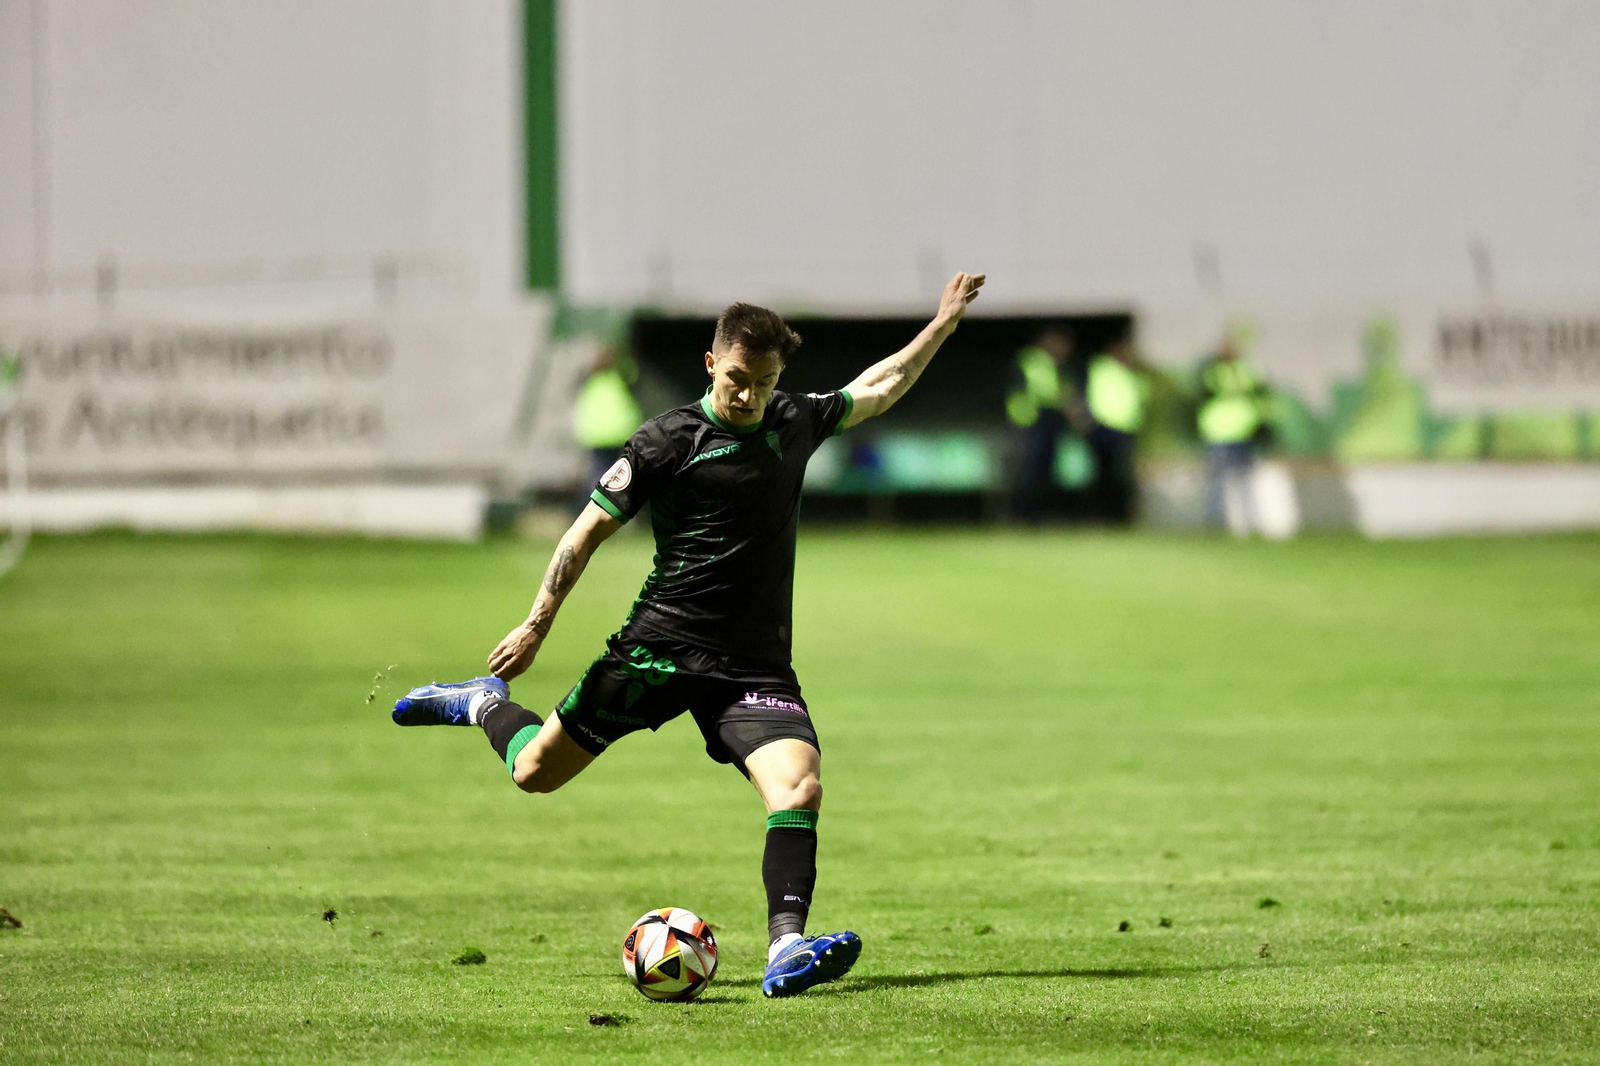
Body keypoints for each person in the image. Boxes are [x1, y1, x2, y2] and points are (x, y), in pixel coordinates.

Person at [389, 272, 986, 998]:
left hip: (753, 666)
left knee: (799, 786)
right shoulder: (667, 441)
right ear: (712, 365)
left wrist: (943, 324)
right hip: (658, 649)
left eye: (764, 381)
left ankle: (785, 951)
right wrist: (537, 626)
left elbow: (881, 385)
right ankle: (482, 703)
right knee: (534, 772)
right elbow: (583, 536)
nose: (749, 395)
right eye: (738, 378)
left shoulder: (794, 420)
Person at [1005, 328, 1082, 522]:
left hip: (1039, 422)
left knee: (1043, 471)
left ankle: (1036, 515)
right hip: (1029, 422)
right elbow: (1048, 392)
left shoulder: (1044, 362)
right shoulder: (1034, 360)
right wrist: (1071, 406)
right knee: (1029, 471)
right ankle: (1024, 516)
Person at [1195, 332, 1268, 533]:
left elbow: (1260, 394)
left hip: (1243, 433)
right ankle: (1215, 524)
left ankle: (1250, 524)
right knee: (1217, 483)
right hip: (1218, 434)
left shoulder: (1246, 370)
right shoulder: (1211, 372)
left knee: (1245, 482)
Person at [1083, 332, 1149, 524]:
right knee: (1104, 475)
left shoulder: (1132, 373)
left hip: (1126, 430)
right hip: (1104, 429)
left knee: (1123, 475)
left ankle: (1120, 516)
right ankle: (1101, 515)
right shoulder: (1102, 368)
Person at [571, 346, 644, 515]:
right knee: (620, 476)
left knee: (596, 475)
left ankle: (587, 512)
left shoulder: (590, 380)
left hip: (595, 434)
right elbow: (634, 373)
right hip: (617, 433)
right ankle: (614, 511)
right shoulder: (619, 377)